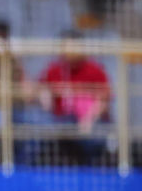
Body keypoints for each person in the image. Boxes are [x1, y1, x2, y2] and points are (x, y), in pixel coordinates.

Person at [33, 31, 112, 162]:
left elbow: (104, 101)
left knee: (93, 136)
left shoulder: (95, 70)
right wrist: (44, 96)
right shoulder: (54, 70)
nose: (70, 52)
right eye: (66, 47)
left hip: (88, 121)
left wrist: (88, 118)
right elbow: (40, 90)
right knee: (37, 121)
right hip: (60, 120)